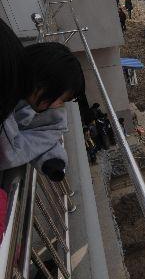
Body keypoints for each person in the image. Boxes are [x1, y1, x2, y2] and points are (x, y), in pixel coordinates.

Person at [0, 42, 85, 180]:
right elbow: (9, 153)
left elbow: (38, 131)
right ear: (45, 83)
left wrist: (51, 156)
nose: (58, 105)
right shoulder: (5, 105)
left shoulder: (14, 91)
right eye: (61, 99)